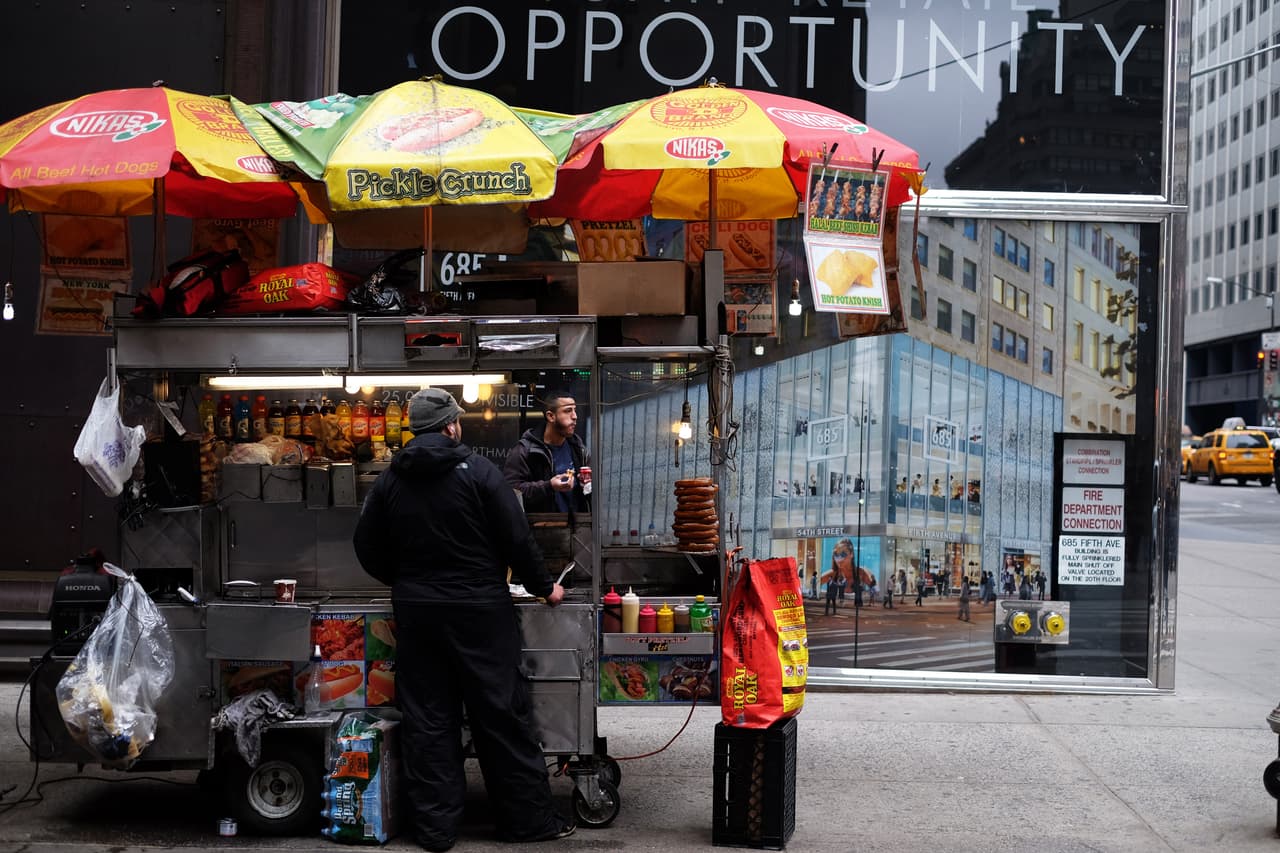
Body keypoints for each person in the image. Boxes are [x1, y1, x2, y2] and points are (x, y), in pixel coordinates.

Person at [353, 388, 574, 850]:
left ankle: (435, 831)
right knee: (499, 715)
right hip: (480, 612)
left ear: (415, 429)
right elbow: (517, 538)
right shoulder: (479, 472)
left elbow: (366, 546)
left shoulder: (391, 479)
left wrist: (405, 581)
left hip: (419, 614)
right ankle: (527, 823)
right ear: (451, 426)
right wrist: (544, 587)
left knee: (429, 720)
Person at [504, 392, 590, 514]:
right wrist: (549, 486)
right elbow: (509, 494)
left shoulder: (578, 449)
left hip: (577, 527)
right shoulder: (525, 451)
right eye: (567, 411)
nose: (575, 416)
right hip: (541, 528)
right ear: (551, 416)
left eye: (575, 410)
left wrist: (587, 485)